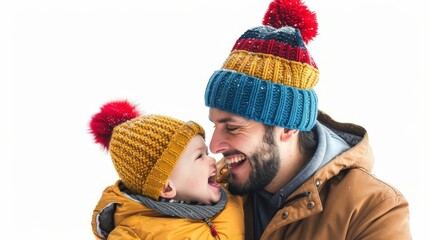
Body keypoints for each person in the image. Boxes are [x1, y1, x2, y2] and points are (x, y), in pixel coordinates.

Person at [204, 0, 411, 239]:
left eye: (232, 127)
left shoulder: (372, 209)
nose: (214, 145)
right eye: (215, 125)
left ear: (288, 127)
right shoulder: (213, 187)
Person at [89, 100, 244, 239]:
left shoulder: (233, 194)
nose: (211, 160)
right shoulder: (134, 233)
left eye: (207, 153)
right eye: (199, 156)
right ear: (167, 187)